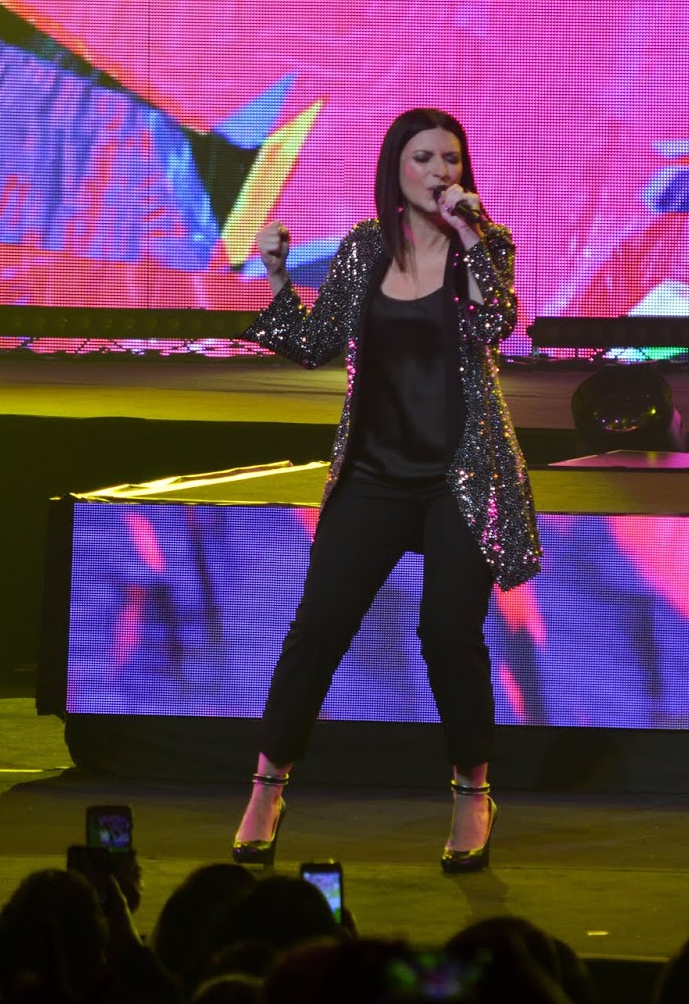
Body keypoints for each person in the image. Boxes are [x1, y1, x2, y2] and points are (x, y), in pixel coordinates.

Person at [232, 107, 541, 873]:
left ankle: (472, 790)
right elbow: (312, 345)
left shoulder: (485, 245)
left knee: (447, 635)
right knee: (318, 629)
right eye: (424, 158)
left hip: (459, 477)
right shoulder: (364, 249)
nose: (441, 172)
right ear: (396, 170)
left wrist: (470, 236)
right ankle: (268, 785)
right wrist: (276, 274)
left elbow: (496, 324)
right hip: (373, 474)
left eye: (451, 159)